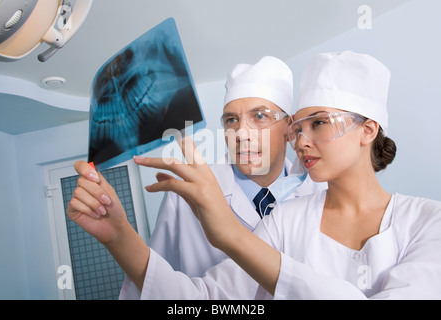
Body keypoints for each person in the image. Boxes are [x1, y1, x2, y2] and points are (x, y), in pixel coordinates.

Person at [67, 51, 441, 300]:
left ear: (368, 129)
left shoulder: (429, 222)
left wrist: (230, 235)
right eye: (231, 119)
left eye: (320, 124)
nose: (304, 140)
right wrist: (119, 235)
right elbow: (205, 300)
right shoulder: (285, 221)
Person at [148, 56, 324, 278]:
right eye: (231, 120)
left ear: (290, 128)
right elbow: (156, 284)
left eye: (260, 116)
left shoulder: (320, 193)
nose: (240, 133)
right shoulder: (184, 195)